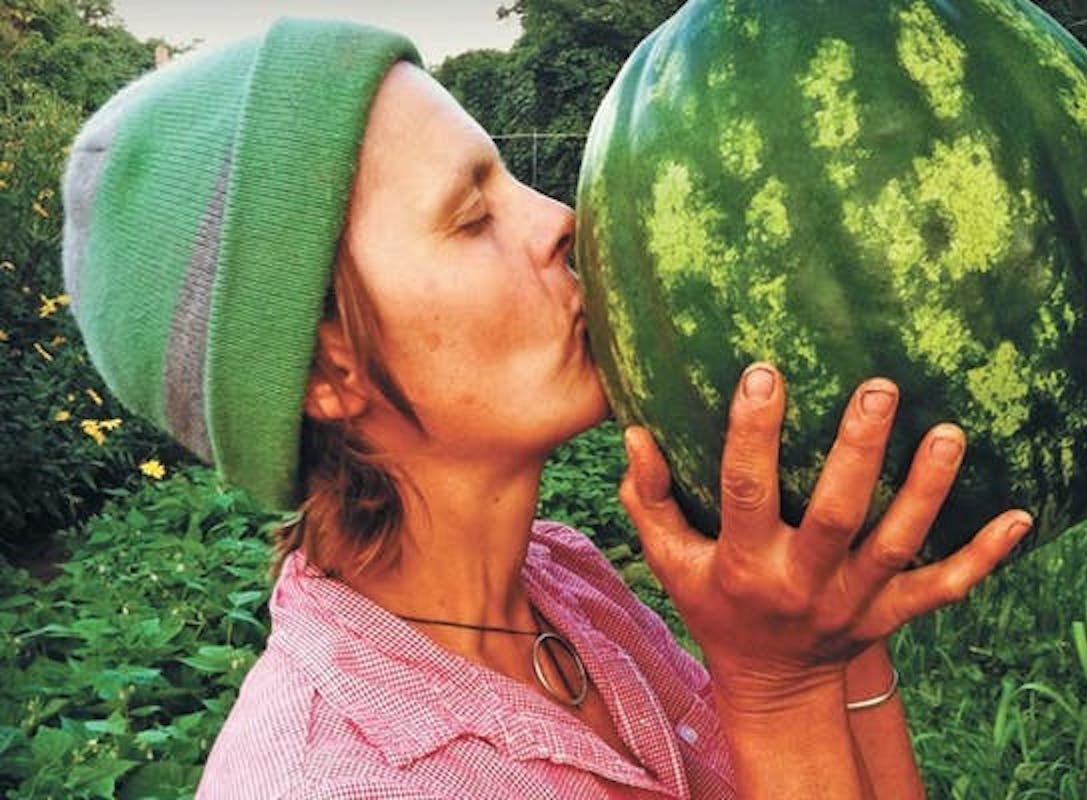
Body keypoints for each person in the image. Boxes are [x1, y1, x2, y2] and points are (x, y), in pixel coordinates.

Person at [61, 17, 1032, 800]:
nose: (560, 217)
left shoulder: (558, 576)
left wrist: (831, 640)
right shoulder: (338, 779)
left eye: (509, 178)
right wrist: (774, 687)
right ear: (330, 369)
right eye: (472, 215)